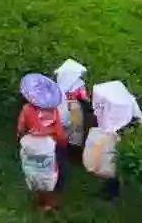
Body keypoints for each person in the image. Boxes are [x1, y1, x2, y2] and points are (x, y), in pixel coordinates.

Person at [84, 80, 142, 201]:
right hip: (113, 136)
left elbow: (136, 121)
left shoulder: (124, 103)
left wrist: (123, 131)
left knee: (112, 164)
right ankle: (108, 189)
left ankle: (112, 194)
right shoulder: (122, 102)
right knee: (107, 163)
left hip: (120, 137)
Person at [16, 73, 66, 212]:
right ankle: (49, 204)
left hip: (31, 144)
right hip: (48, 146)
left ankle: (39, 202)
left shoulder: (26, 109)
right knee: (48, 174)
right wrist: (62, 144)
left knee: (34, 172)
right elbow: (60, 133)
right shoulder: (54, 111)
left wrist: (21, 138)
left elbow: (21, 128)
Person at [53, 59, 90, 192]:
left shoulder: (59, 81)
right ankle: (72, 155)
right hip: (73, 109)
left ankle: (59, 151)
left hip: (59, 107)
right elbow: (85, 98)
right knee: (74, 132)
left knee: (60, 131)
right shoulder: (79, 84)